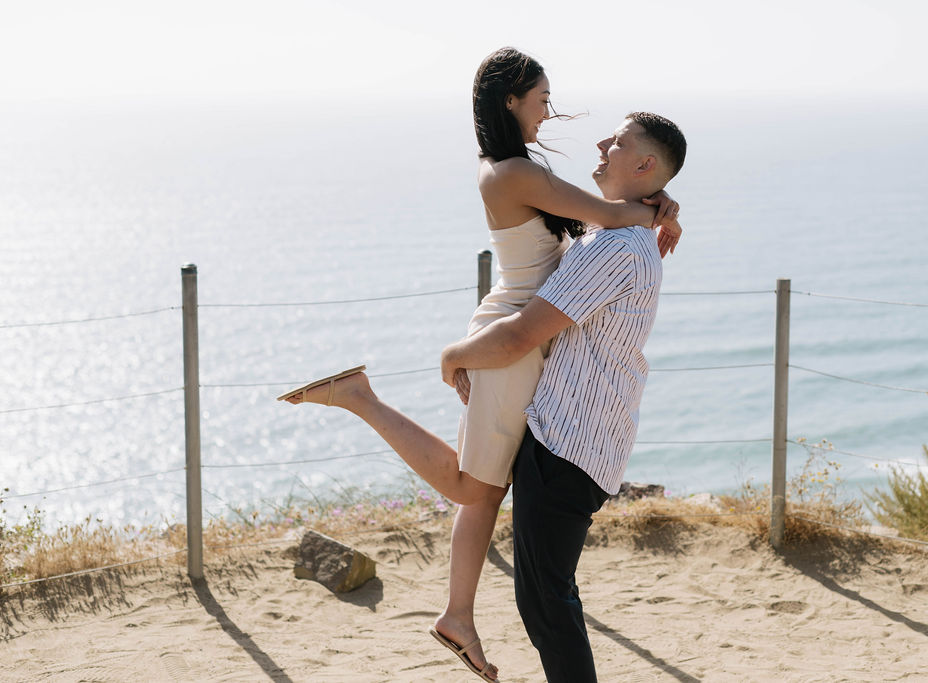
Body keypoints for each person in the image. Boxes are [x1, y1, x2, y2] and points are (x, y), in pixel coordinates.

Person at [278, 47, 682, 682]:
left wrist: (657, 204)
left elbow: (601, 224)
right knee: (476, 487)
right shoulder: (510, 173)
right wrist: (655, 206)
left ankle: (458, 615)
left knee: (488, 492)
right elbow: (608, 215)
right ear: (511, 100)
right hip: (513, 333)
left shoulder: (524, 171)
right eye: (543, 100)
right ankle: (361, 397)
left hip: (522, 331)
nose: (552, 114)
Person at [439, 110, 686, 683]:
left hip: (569, 443)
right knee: (548, 596)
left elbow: (525, 333)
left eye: (619, 142)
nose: (602, 143)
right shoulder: (616, 235)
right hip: (577, 438)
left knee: (547, 601)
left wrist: (454, 356)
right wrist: (661, 205)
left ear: (644, 164)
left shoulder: (616, 247)